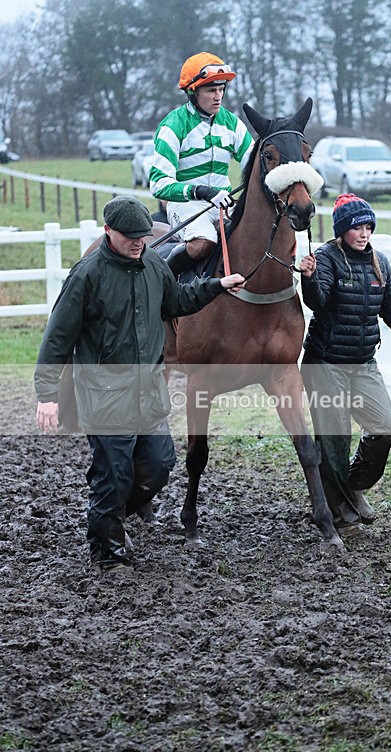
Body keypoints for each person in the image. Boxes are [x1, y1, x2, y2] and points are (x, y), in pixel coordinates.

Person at [34, 196, 245, 573]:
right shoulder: (86, 275)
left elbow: (178, 300)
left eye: (142, 236)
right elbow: (57, 337)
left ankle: (105, 516)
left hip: (148, 391)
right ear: (108, 232)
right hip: (104, 396)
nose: (138, 243)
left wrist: (217, 285)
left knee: (160, 463)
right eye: (130, 237)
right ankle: (109, 554)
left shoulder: (152, 264)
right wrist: (47, 395)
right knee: (114, 473)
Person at [299, 194, 391, 533]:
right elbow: (317, 302)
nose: (363, 233)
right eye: (357, 227)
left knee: (385, 426)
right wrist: (309, 277)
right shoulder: (326, 258)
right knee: (334, 441)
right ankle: (342, 517)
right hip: (325, 363)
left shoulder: (379, 263)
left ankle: (354, 484)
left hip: (362, 363)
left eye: (368, 227)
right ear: (342, 230)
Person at [150, 52, 254, 277]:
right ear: (193, 92)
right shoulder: (173, 125)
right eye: (211, 91)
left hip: (223, 204)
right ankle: (162, 283)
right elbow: (159, 184)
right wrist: (200, 191)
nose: (218, 97)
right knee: (204, 241)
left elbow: (254, 164)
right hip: (186, 205)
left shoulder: (233, 124)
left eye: (221, 89)